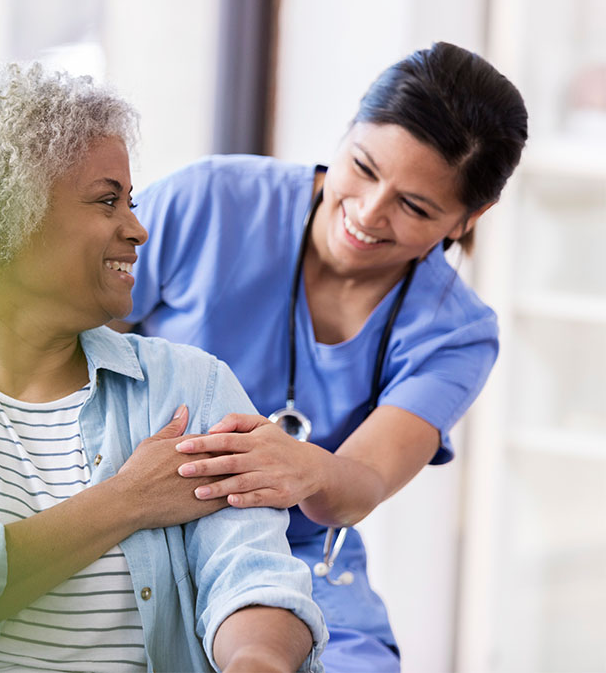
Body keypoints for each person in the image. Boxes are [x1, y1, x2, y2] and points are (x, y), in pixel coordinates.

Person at [0, 63, 326, 672]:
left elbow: (251, 574)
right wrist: (125, 501)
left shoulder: (189, 386)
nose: (138, 229)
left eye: (131, 201)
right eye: (107, 201)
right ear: (4, 220)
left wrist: (257, 662)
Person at [113, 42, 528, 671]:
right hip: (136, 510)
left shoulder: (457, 334)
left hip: (292, 549)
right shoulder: (213, 200)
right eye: (362, 167)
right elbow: (62, 332)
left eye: (415, 207)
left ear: (469, 217)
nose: (368, 213)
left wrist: (309, 470)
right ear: (347, 133)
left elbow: (358, 486)